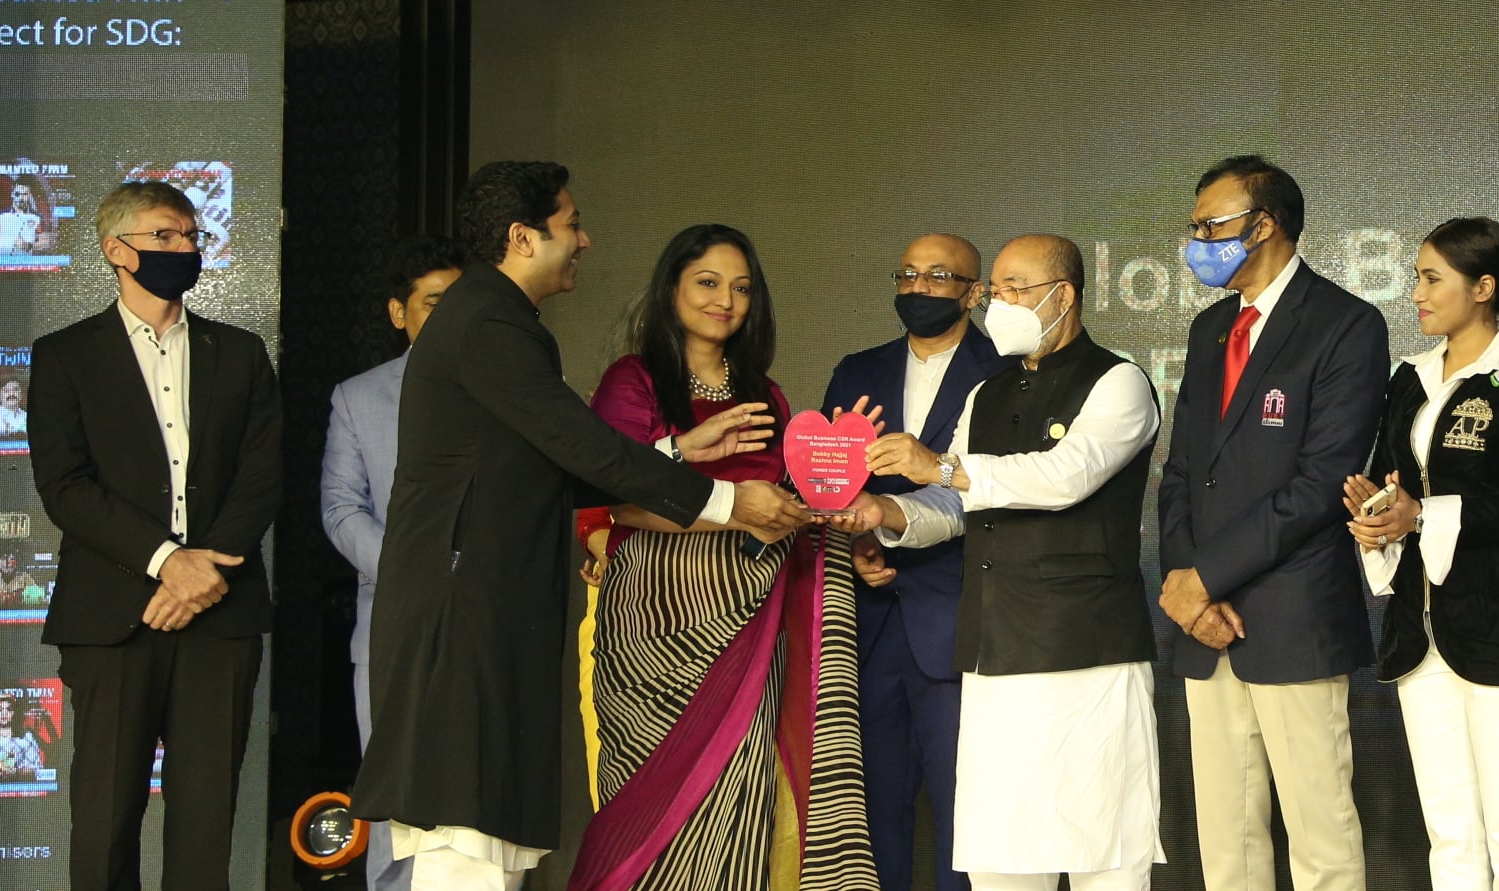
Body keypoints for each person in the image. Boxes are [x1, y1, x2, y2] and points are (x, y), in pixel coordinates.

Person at [349, 162, 809, 891]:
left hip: (485, 611)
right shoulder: (490, 322)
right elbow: (582, 448)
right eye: (571, 224)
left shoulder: (497, 318)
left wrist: (678, 452)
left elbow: (551, 465)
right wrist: (727, 503)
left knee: (485, 842)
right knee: (462, 846)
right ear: (522, 237)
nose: (584, 240)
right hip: (463, 615)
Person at [835, 234, 1162, 890]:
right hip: (992, 650)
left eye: (1017, 289)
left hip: (1086, 650)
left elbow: (1066, 475)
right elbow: (951, 505)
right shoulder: (985, 392)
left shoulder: (1119, 381)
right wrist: (885, 513)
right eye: (998, 291)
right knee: (1000, 858)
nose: (1001, 302)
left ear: (1062, 296)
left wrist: (942, 467)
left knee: (1103, 850)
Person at [570, 224, 875, 891]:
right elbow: (605, 496)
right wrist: (714, 483)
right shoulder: (635, 381)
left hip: (750, 622)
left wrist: (838, 491)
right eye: (707, 282)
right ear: (671, 288)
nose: (725, 301)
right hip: (654, 623)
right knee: (649, 802)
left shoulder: (767, 395)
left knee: (741, 792)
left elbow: (785, 504)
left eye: (741, 288)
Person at [28, 180, 282, 891]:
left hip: (221, 617)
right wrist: (170, 562)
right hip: (113, 617)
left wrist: (206, 575)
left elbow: (263, 473)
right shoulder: (66, 355)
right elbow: (66, 486)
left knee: (206, 824)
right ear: (117, 249)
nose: (183, 248)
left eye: (191, 236)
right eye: (164, 236)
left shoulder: (240, 352)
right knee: (104, 821)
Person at [1157, 155, 1388, 891]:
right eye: (1195, 226)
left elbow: (1323, 482)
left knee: (1321, 834)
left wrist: (1205, 577)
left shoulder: (1346, 323)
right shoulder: (1208, 329)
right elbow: (1182, 472)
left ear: (1264, 225)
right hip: (1204, 621)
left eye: (1211, 225)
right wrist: (1186, 585)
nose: (1198, 241)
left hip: (1292, 612)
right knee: (1227, 837)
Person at [1338, 217, 1499, 889]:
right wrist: (1377, 515)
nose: (1416, 292)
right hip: (1420, 630)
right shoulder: (1409, 378)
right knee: (1450, 831)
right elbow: (1392, 478)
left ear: (1484, 287)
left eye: (1432, 278)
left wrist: (1422, 513)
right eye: (1416, 277)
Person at [818, 233, 1007, 891]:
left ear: (973, 292)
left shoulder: (1006, 372)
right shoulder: (856, 371)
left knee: (966, 812)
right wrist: (856, 542)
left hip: (963, 620)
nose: (919, 288)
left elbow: (1003, 492)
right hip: (867, 622)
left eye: (937, 276)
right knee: (872, 812)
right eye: (907, 275)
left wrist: (890, 520)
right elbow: (825, 484)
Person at [321, 234, 466, 891]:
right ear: (398, 312)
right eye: (434, 302)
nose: (450, 315)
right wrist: (417, 576)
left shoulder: (511, 389)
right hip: (392, 627)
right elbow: (341, 510)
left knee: (487, 814)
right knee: (397, 807)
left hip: (488, 624)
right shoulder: (358, 397)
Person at [0, 178, 49, 255]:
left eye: (24, 194)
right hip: (4, 261)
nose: (21, 198)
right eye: (17, 194)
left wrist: (27, 246)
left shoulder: (37, 217)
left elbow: (45, 243)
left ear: (29, 195)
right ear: (12, 194)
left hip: (26, 262)